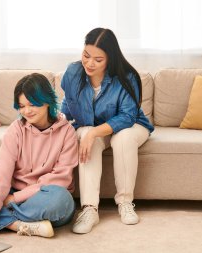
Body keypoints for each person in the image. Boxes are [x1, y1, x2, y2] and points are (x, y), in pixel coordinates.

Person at [0, 73, 78, 247]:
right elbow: (1, 177)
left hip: (43, 197)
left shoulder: (67, 132)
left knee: (62, 200)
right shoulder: (15, 130)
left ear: (47, 101)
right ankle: (16, 225)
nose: (26, 111)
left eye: (32, 104)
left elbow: (60, 180)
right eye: (22, 106)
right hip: (11, 192)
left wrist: (13, 199)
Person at [61, 28, 154, 234]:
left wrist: (94, 133)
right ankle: (90, 209)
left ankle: (125, 202)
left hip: (131, 126)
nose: (89, 63)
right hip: (92, 128)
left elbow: (127, 117)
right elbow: (67, 104)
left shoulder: (127, 77)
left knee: (123, 137)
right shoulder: (72, 73)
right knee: (86, 135)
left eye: (98, 59)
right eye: (86, 55)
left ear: (110, 59)